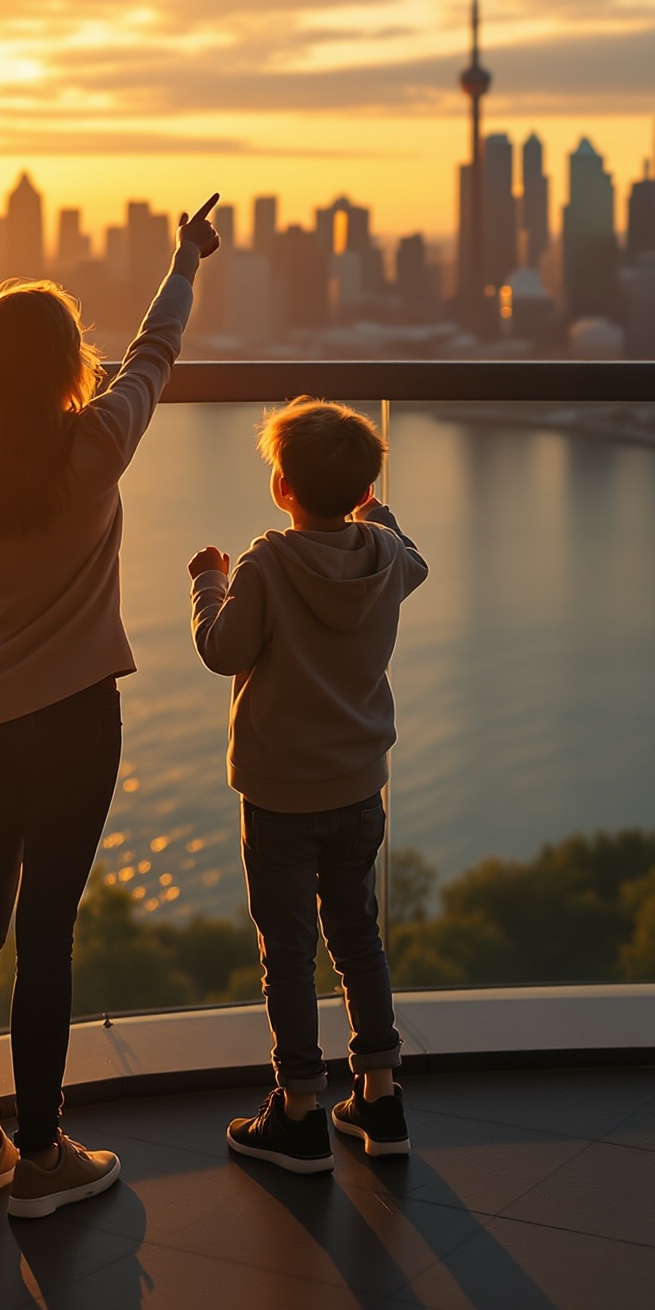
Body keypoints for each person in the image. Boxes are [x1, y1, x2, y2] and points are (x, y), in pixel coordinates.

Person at [0, 194, 221, 1217]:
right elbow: (154, 351)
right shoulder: (95, 443)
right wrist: (185, 260)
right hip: (75, 719)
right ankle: (43, 1156)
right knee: (45, 931)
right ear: (60, 367)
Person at [188, 397, 427, 1173]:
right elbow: (412, 556)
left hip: (281, 794)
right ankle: (381, 1098)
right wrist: (376, 514)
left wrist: (208, 584)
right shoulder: (387, 556)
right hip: (360, 789)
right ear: (363, 487)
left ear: (281, 486)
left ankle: (298, 1112)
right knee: (358, 935)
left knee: (288, 949)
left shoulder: (265, 564)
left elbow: (224, 651)